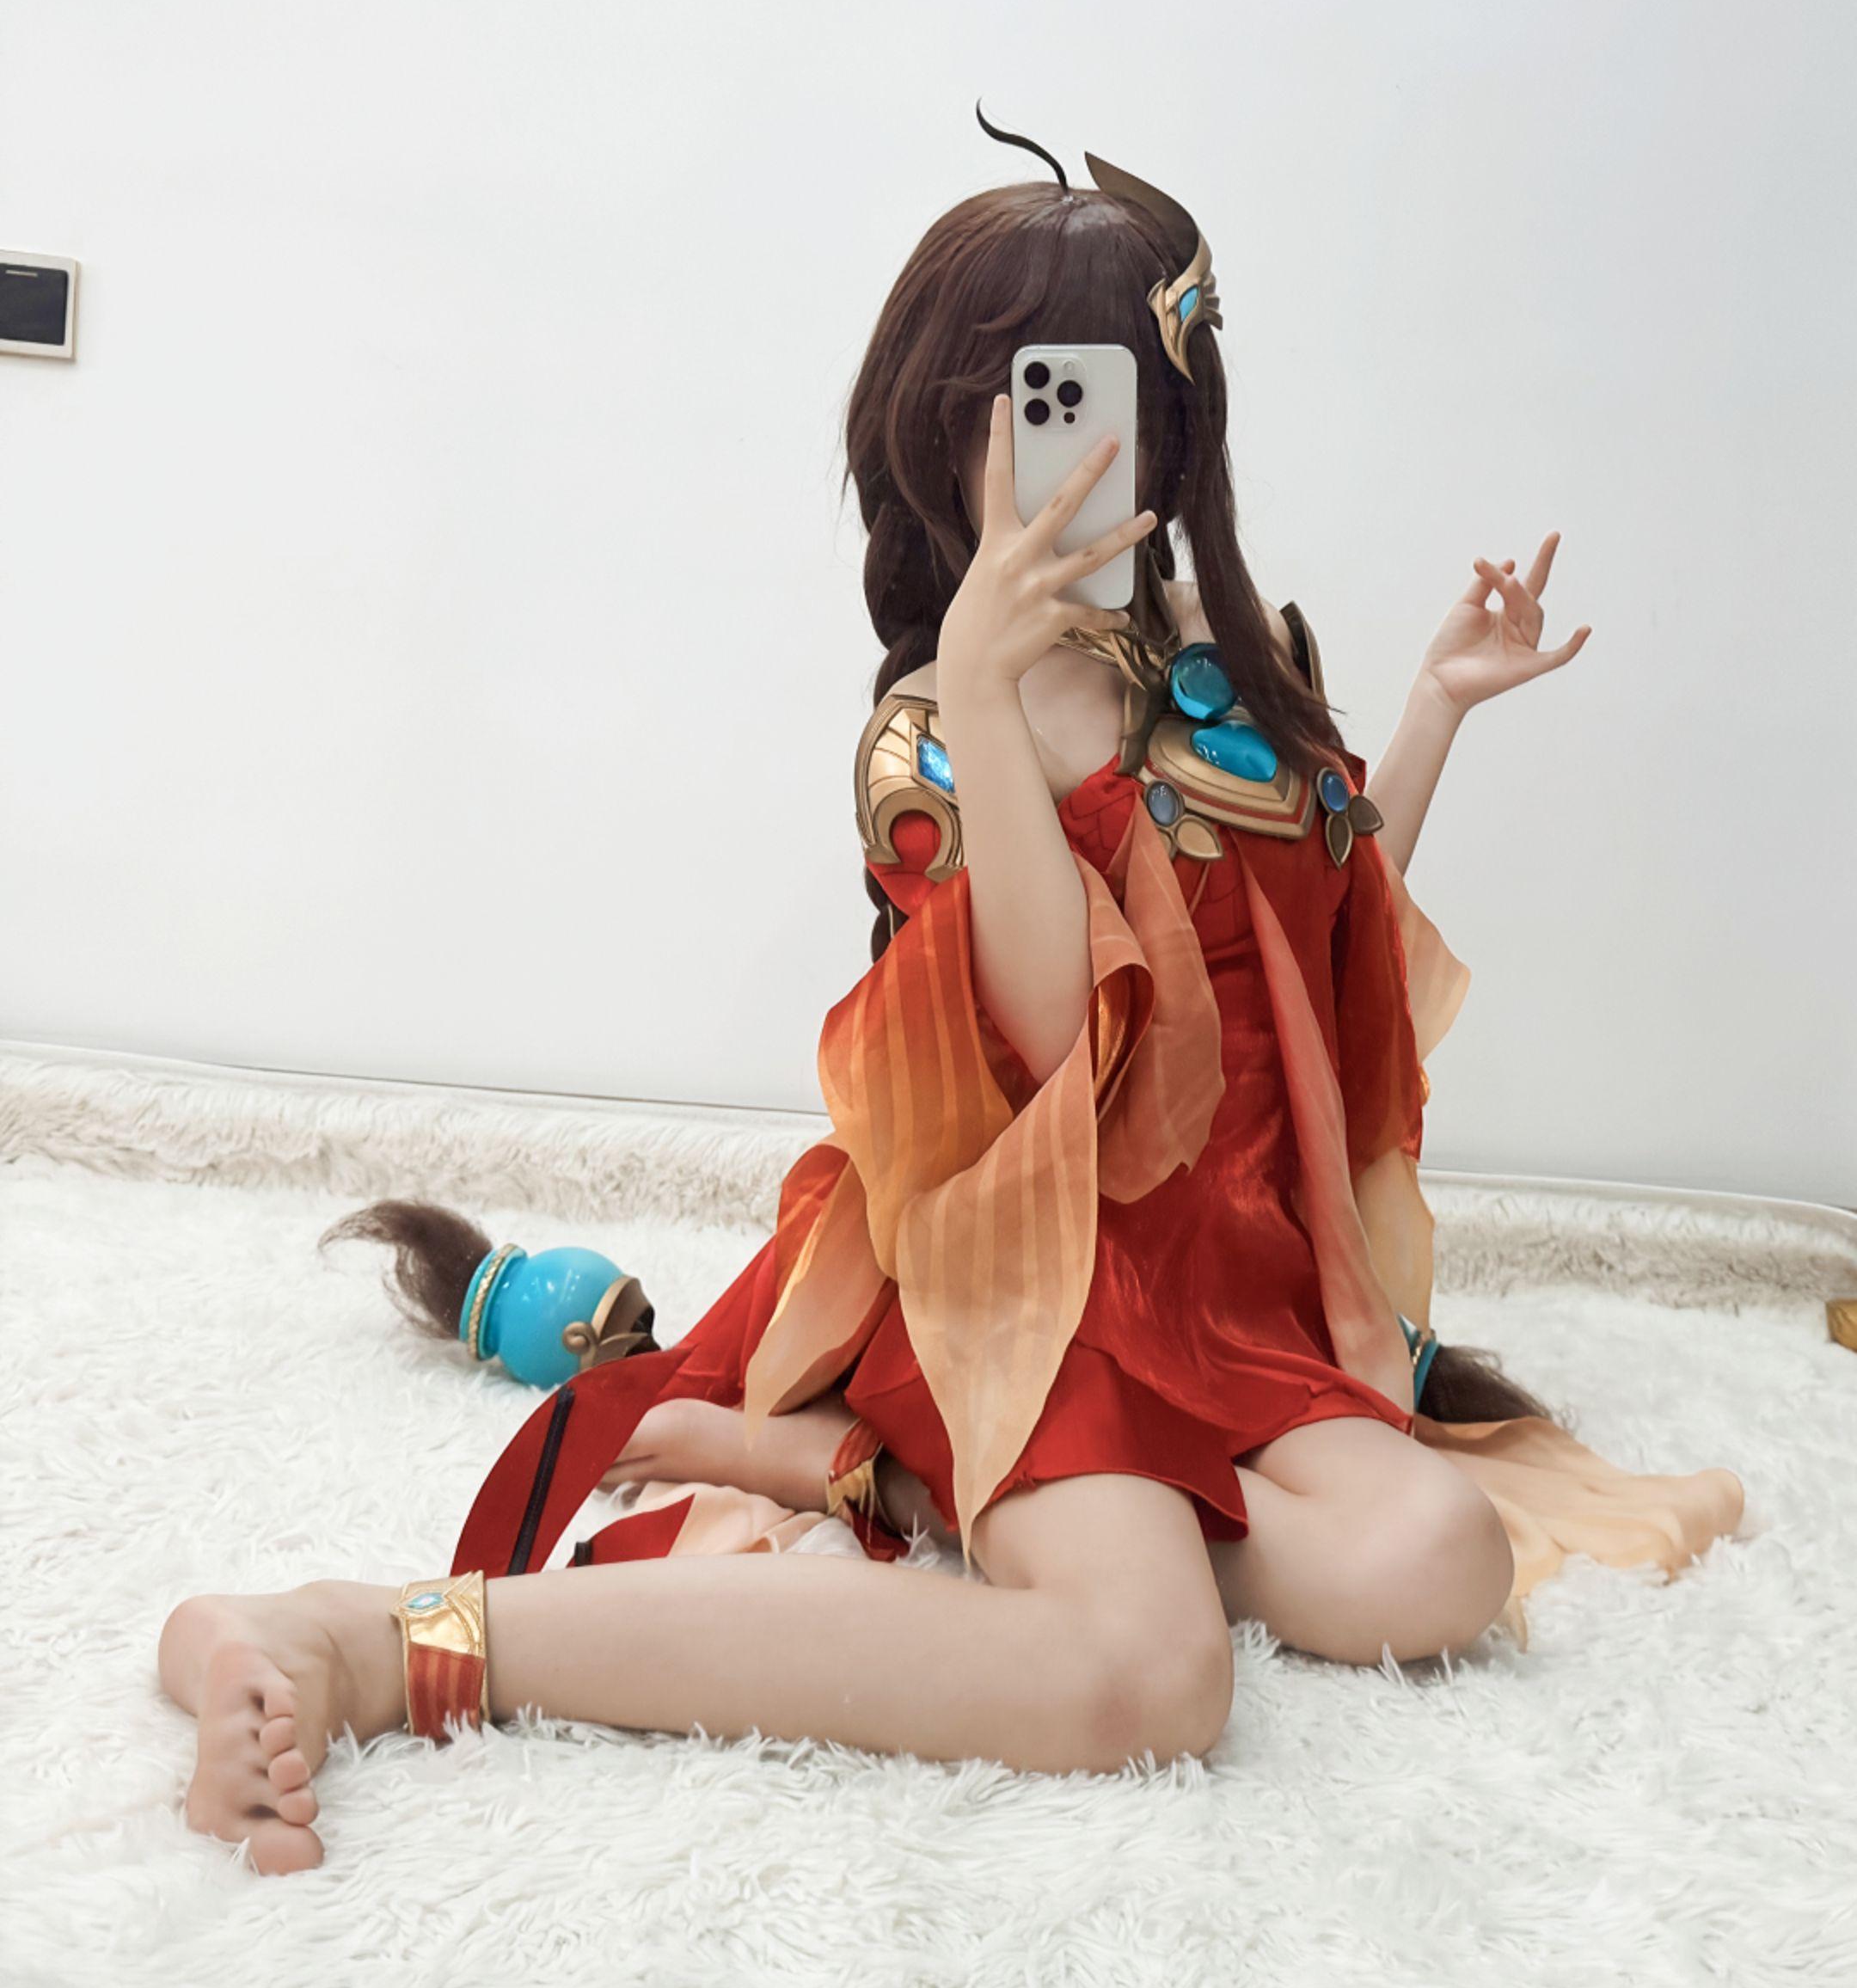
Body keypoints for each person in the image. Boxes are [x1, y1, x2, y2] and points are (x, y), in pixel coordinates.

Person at [157, 114, 1744, 1874]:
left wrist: (1434, 705)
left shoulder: (1242, 670)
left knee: (1438, 1562)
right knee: (1147, 1675)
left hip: (1227, 1295)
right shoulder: (932, 735)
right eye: (1047, 401)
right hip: (1028, 1281)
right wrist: (991, 696)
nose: (1091, 442)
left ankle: (881, 1475)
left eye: (1131, 394)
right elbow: (1054, 1054)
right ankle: (373, 1641)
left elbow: (1330, 953)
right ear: (953, 429)